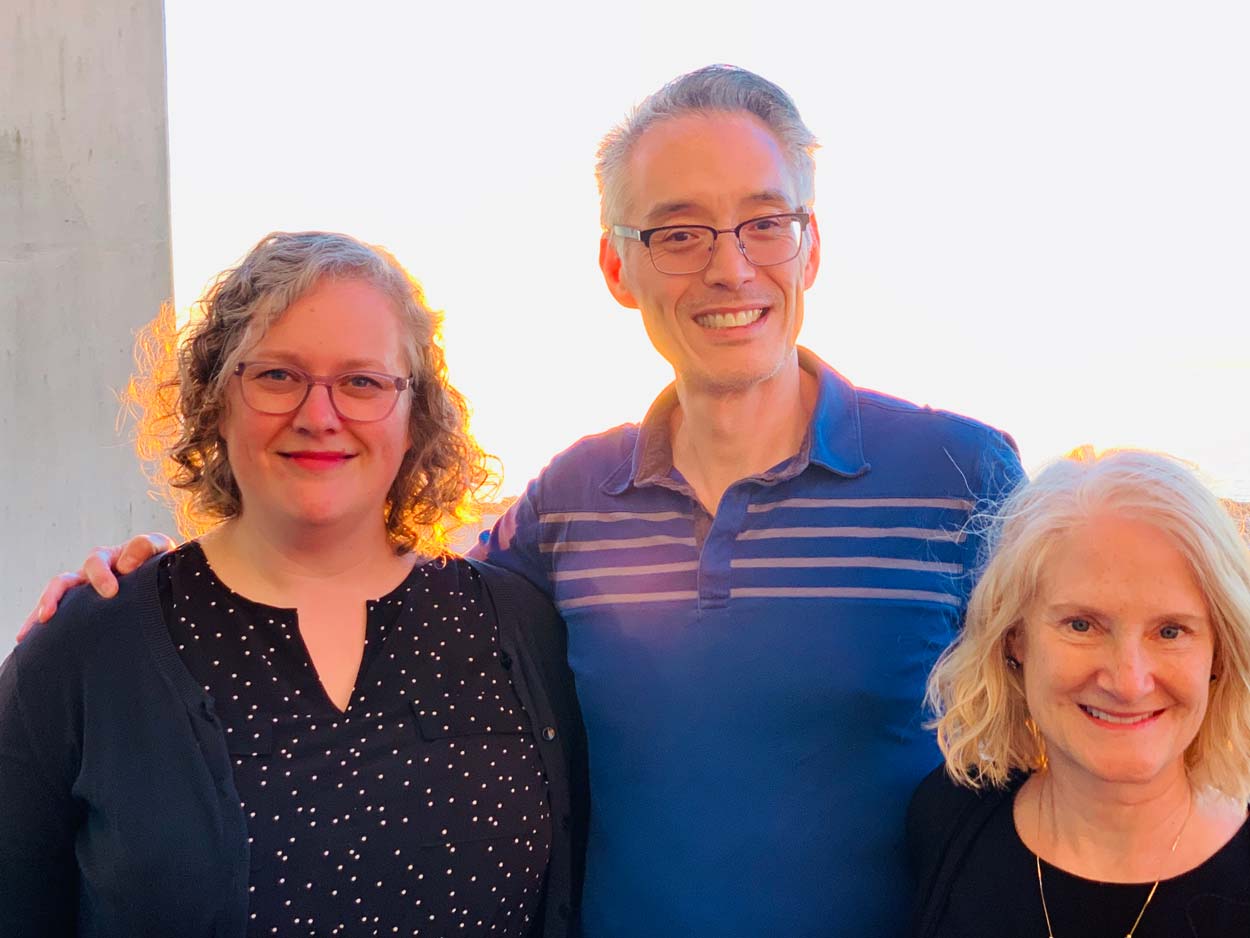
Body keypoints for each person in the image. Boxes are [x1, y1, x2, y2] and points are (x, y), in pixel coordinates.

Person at [28, 66, 1021, 936]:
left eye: (764, 222)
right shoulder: (568, 502)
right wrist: (167, 578)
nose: (729, 265)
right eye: (676, 231)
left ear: (808, 246)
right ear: (616, 267)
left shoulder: (963, 479)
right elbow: (371, 577)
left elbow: (1078, 740)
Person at [1, 231, 587, 937]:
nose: (318, 415)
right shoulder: (89, 648)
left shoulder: (519, 629)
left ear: (416, 415)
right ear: (217, 398)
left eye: (363, 382)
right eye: (277, 375)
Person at [909, 449, 1250, 938]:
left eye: (1171, 631)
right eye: (1082, 624)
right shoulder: (945, 820)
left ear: (1219, 654)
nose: (1129, 681)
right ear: (1015, 639)